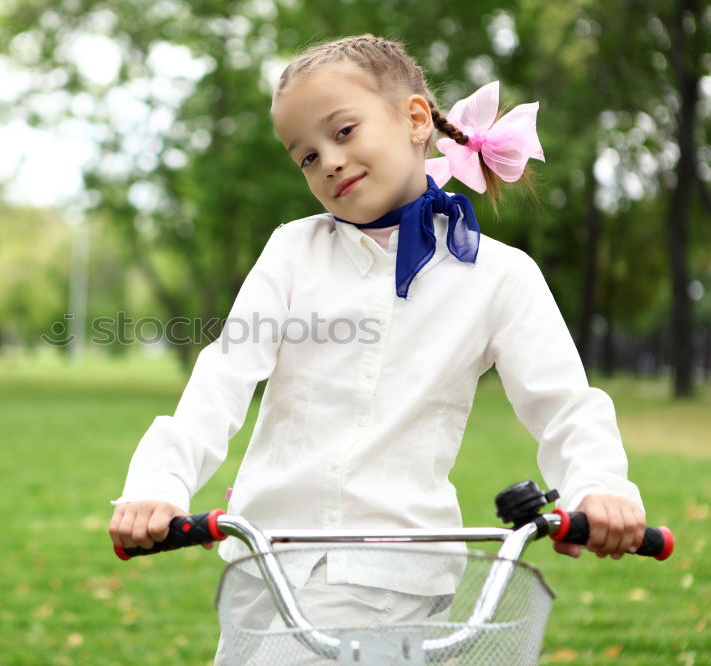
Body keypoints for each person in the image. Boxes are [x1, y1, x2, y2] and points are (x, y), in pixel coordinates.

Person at [109, 33, 646, 660]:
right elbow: (223, 376)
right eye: (305, 157)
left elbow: (563, 404)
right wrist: (159, 485)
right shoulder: (292, 251)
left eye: (342, 132)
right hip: (264, 563)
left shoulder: (500, 275)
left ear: (415, 120)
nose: (327, 161)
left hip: (391, 574)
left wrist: (598, 488)